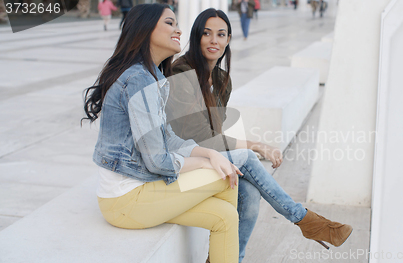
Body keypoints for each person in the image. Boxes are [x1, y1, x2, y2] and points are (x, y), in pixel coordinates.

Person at [168, 8, 353, 263]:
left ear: (228, 40)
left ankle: (232, 259)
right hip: (182, 159)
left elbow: (215, 133)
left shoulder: (221, 79)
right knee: (247, 156)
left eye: (221, 35)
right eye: (207, 34)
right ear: (197, 36)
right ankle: (303, 218)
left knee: (250, 196)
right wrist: (256, 145)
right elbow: (198, 136)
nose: (214, 41)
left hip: (209, 155)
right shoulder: (181, 73)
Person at [83, 4, 241, 262]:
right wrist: (205, 162)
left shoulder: (152, 76)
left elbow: (168, 137)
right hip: (126, 200)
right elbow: (157, 159)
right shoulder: (138, 79)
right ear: (146, 30)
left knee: (225, 216)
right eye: (170, 23)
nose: (178, 30)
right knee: (225, 176)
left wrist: (210, 153)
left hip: (138, 192)